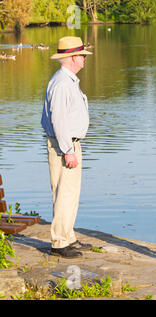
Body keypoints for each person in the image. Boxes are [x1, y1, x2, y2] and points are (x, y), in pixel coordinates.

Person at [41, 36, 93, 258]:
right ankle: (60, 242)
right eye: (82, 55)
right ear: (72, 57)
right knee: (64, 192)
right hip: (64, 145)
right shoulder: (62, 83)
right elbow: (59, 121)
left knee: (70, 193)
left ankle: (68, 236)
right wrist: (68, 151)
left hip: (69, 144)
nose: (84, 59)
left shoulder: (67, 80)